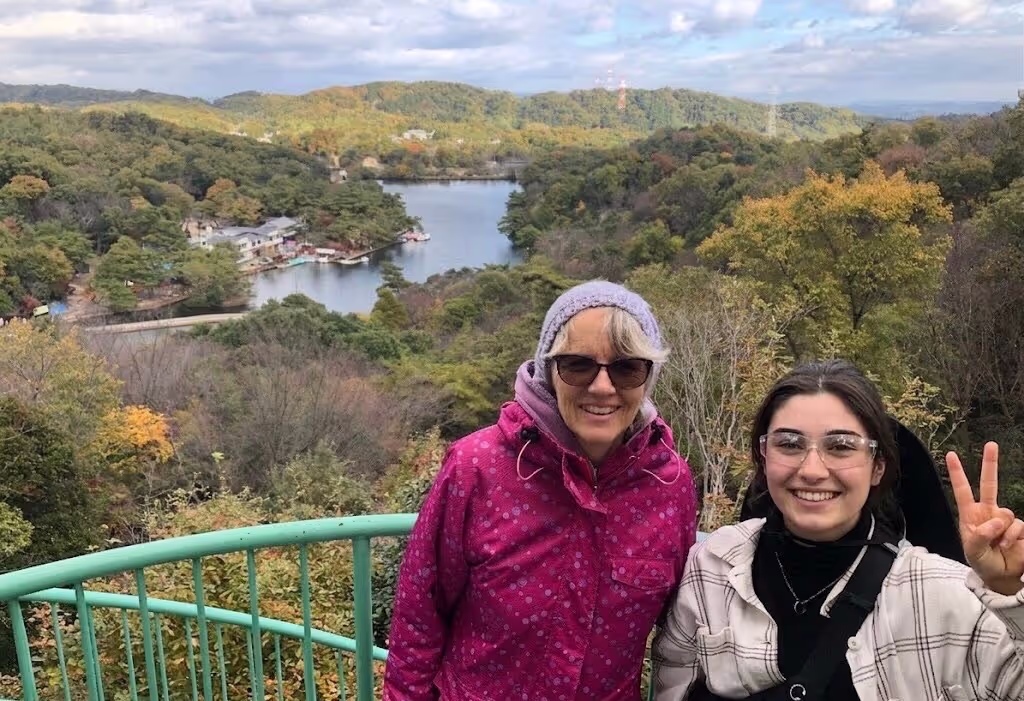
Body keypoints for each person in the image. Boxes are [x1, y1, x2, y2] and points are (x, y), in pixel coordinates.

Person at [383, 280, 698, 701]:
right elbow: (420, 614)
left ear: (648, 376)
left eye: (627, 368)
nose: (603, 388)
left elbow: (680, 631)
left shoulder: (668, 483)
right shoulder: (478, 466)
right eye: (578, 365)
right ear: (548, 370)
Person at [653, 359, 1024, 701]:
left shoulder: (942, 594)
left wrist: (1010, 592)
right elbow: (672, 688)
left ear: (877, 467)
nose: (812, 469)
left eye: (841, 446)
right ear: (763, 458)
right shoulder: (713, 567)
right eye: (789, 444)